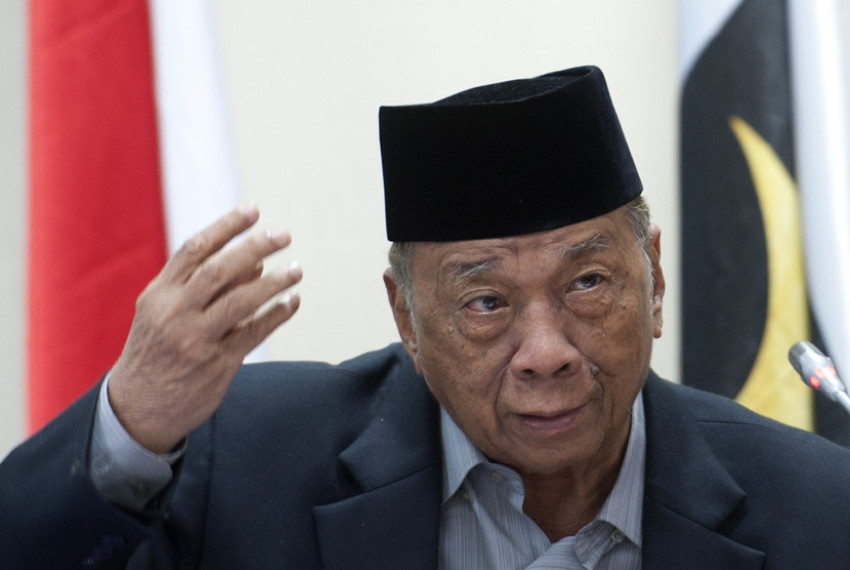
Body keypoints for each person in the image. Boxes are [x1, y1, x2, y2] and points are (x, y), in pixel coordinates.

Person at [3, 65, 850, 570]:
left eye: (588, 283)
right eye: (486, 302)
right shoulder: (249, 465)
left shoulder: (818, 509)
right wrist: (131, 426)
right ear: (405, 320)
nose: (546, 351)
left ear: (655, 280)